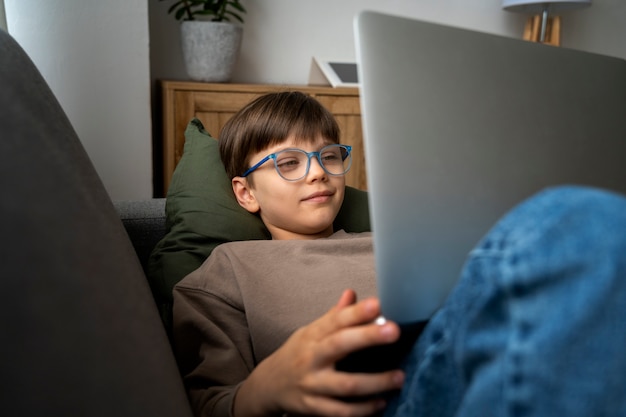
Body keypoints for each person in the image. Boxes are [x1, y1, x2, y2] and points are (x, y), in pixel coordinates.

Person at [172, 91, 626, 417]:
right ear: (245, 193)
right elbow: (204, 402)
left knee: (589, 225)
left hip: (463, 357)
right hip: (379, 396)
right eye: (288, 163)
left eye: (328, 156)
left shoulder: (398, 240)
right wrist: (266, 388)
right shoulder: (227, 270)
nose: (317, 174)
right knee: (576, 212)